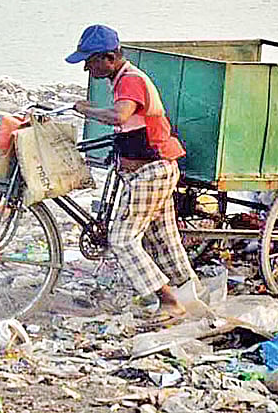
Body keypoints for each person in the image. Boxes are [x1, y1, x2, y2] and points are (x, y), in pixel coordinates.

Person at [67, 24, 197, 325]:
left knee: (122, 239)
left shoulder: (131, 80)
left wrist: (85, 109)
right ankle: (191, 293)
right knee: (162, 239)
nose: (87, 68)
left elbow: (119, 115)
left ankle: (169, 302)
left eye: (90, 61)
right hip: (153, 170)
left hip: (153, 170)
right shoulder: (121, 79)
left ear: (110, 58)